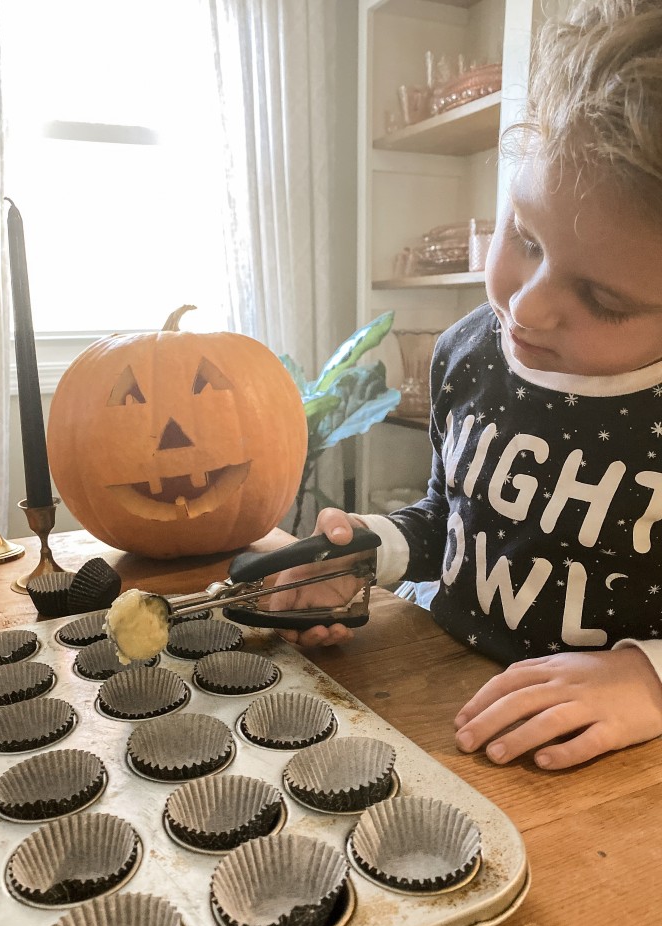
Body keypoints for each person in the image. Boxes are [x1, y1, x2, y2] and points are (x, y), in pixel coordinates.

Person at [270, 0, 662, 771]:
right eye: (524, 236)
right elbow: (455, 520)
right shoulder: (470, 352)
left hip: (609, 777)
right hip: (435, 705)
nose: (527, 303)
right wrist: (367, 555)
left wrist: (647, 680)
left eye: (605, 301)